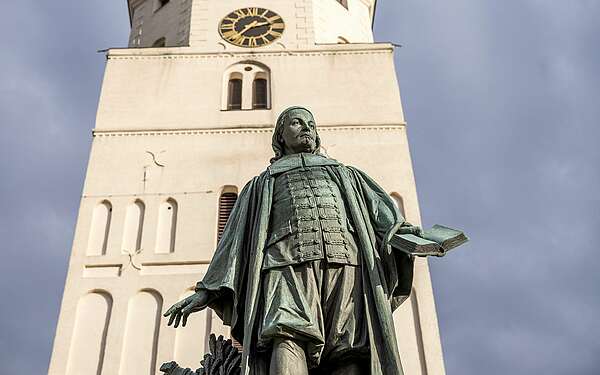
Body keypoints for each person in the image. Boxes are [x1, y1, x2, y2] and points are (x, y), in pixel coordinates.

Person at [164, 106, 422, 375]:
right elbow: (234, 241)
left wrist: (411, 236)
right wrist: (208, 291)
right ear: (280, 135)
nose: (307, 128)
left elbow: (385, 219)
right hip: (285, 266)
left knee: (349, 350)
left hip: (347, 267)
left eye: (311, 123)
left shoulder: (346, 175)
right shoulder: (262, 184)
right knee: (286, 335)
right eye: (298, 123)